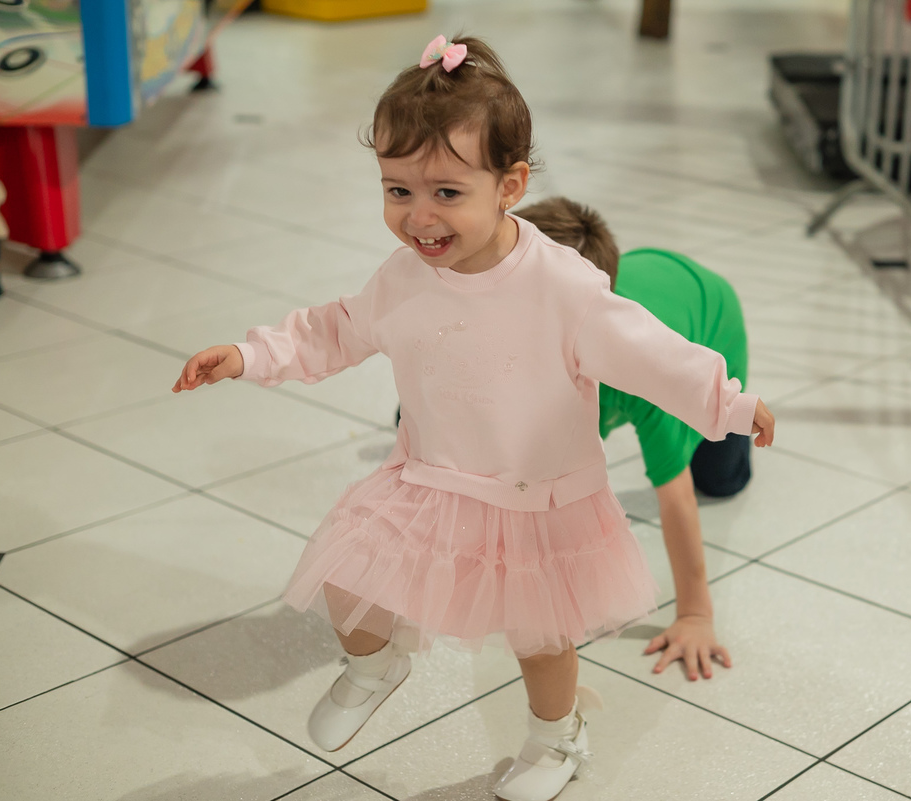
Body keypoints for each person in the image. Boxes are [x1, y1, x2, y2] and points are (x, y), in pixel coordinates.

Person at [171, 35, 774, 801]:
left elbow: (650, 352)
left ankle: (557, 737)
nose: (419, 218)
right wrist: (250, 354)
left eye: (446, 193)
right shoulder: (404, 274)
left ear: (511, 185)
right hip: (429, 472)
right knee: (344, 573)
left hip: (537, 495)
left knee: (540, 639)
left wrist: (729, 402)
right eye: (397, 191)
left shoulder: (564, 286)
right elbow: (337, 329)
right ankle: (374, 664)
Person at [514, 197, 749, 682]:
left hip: (710, 312)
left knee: (719, 479)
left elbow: (677, 497)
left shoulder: (640, 372)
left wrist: (695, 615)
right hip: (636, 271)